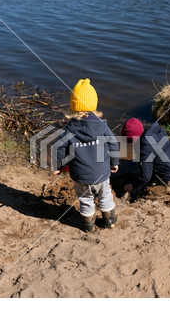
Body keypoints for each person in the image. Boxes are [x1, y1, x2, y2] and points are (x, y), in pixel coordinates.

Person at [54, 78, 119, 232]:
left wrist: (60, 166)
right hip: (102, 172)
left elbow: (60, 149)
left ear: (73, 106)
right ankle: (109, 220)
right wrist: (114, 162)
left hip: (80, 175)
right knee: (105, 196)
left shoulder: (68, 129)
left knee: (86, 199)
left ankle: (88, 224)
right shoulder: (102, 125)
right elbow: (113, 143)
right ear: (93, 104)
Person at [121, 118, 170, 198]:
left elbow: (145, 176)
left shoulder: (145, 148)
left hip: (169, 172)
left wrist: (133, 185)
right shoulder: (155, 129)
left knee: (144, 172)